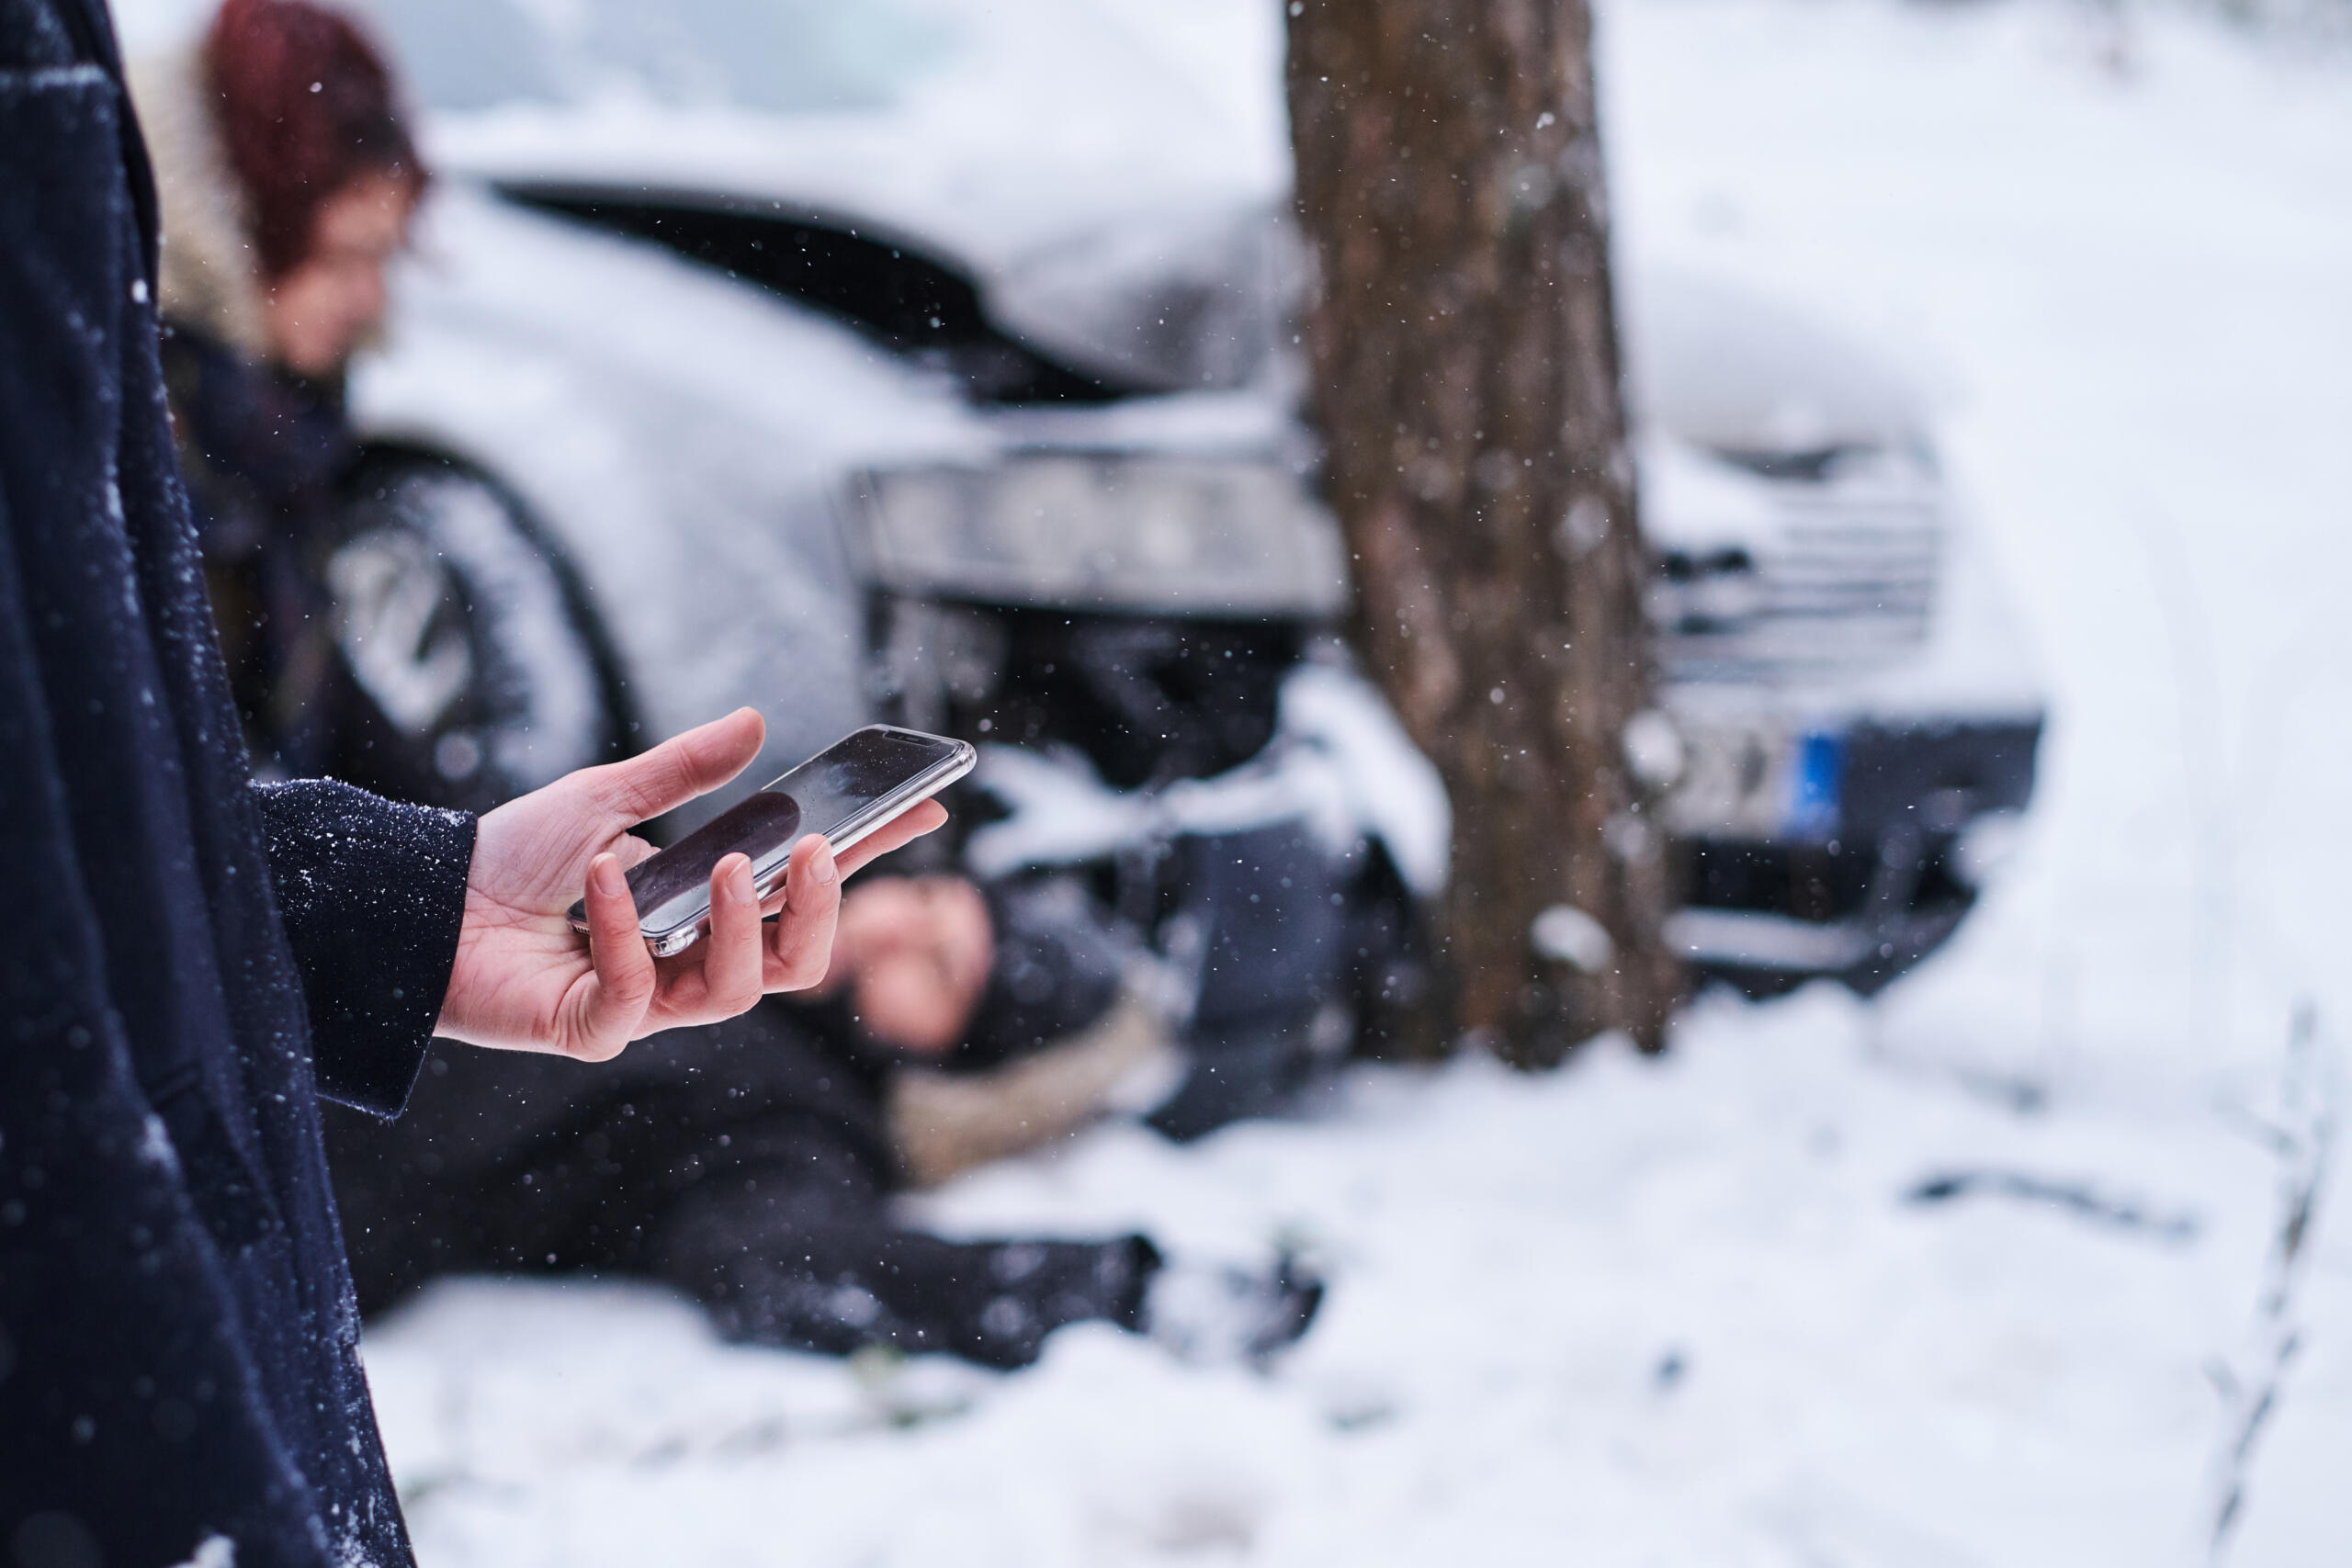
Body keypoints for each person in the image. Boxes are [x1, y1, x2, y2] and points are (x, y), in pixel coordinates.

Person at [0, 4, 942, 1565]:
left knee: (699, 1061)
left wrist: (428, 886)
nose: (374, 312)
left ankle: (910, 1070)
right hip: (193, 1143)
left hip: (249, 1052)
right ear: (246, 219)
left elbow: (170, 803)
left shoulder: (241, 431)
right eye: (349, 256)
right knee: (692, 1100)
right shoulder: (149, 417)